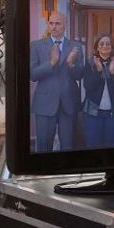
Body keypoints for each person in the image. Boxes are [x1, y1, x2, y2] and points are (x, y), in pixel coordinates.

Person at [30, 12, 84, 152]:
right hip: (45, 104)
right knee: (43, 147)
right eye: (51, 23)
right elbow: (33, 75)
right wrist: (52, 63)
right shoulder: (36, 46)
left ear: (65, 25)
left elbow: (80, 75)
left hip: (69, 103)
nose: (54, 26)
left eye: (57, 23)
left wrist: (71, 63)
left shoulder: (75, 46)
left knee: (68, 146)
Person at [81, 34, 114, 148]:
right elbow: (88, 86)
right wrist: (98, 71)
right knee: (93, 146)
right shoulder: (90, 63)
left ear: (112, 47)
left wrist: (112, 72)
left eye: (108, 44)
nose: (105, 46)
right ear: (97, 47)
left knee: (112, 145)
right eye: (101, 44)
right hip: (92, 113)